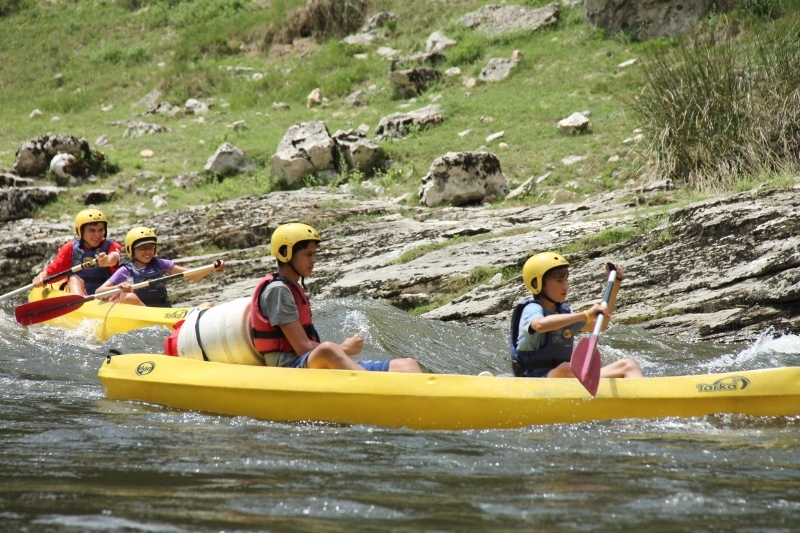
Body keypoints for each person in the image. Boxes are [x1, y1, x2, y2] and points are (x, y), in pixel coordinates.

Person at [251, 222, 422, 372]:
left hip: (308, 362)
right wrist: (344, 348)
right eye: (308, 255)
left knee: (407, 365)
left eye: (314, 254)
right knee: (328, 350)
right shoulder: (278, 291)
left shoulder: (291, 287)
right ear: (285, 253)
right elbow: (302, 348)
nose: (314, 260)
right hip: (289, 366)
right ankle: (370, 388)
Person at [510, 252, 642, 379]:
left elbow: (601, 325)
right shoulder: (532, 308)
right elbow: (539, 325)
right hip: (535, 381)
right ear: (536, 284)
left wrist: (615, 285)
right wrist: (585, 315)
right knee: (566, 369)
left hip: (568, 377)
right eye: (559, 281)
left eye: (566, 280)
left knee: (628, 365)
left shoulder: (563, 312)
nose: (566, 286)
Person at [96, 226, 224, 307]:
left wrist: (212, 268)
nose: (147, 251)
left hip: (163, 309)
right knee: (129, 297)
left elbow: (193, 275)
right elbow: (99, 292)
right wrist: (119, 287)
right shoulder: (125, 270)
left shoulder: (161, 264)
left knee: (207, 305)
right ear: (131, 250)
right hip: (139, 311)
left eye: (150, 247)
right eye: (142, 248)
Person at [32, 208, 122, 296]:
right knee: (74, 278)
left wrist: (106, 261)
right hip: (80, 292)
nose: (97, 235)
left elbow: (114, 257)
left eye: (101, 230)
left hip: (105, 296)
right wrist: (40, 278)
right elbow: (51, 272)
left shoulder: (112, 245)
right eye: (92, 230)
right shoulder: (70, 248)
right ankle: (81, 302)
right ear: (81, 231)